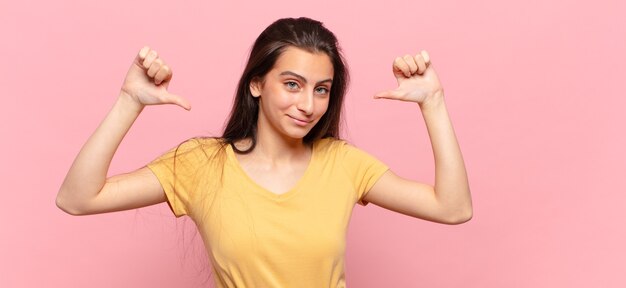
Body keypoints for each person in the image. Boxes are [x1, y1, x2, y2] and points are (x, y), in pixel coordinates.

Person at [56, 17, 472, 287]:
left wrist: (432, 102)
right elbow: (77, 198)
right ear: (257, 84)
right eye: (292, 84)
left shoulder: (343, 163)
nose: (308, 104)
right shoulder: (202, 163)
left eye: (321, 89)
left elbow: (452, 208)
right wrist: (130, 100)